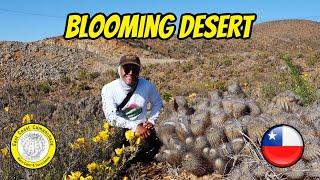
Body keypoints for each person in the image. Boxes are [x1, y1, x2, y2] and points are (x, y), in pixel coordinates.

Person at [101, 55, 163, 156]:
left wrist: (151, 120)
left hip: (143, 132)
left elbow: (157, 103)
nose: (130, 72)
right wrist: (135, 126)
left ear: (139, 71)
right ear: (119, 69)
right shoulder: (108, 89)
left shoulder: (147, 86)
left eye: (134, 69)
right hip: (120, 132)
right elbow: (111, 117)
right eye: (126, 68)